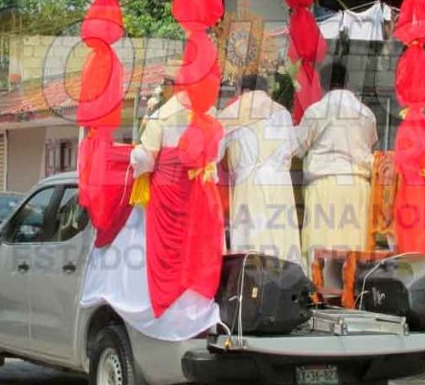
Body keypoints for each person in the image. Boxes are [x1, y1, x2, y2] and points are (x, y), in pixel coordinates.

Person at [80, 88, 223, 342]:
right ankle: (194, 314)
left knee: (144, 255)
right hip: (199, 200)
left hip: (163, 201)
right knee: (195, 256)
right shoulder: (212, 118)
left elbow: (145, 159)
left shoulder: (163, 116)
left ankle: (162, 314)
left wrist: (134, 155)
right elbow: (216, 155)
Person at [296, 62, 377, 284]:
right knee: (354, 250)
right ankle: (353, 295)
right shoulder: (367, 113)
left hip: (325, 185)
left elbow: (298, 147)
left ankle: (319, 294)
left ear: (322, 86)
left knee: (321, 248)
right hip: (358, 186)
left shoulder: (315, 111)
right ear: (348, 83)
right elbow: (370, 143)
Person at [218, 74, 301, 264]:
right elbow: (292, 148)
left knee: (252, 237)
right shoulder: (282, 112)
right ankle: (286, 275)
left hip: (249, 182)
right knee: (281, 238)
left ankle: (251, 277)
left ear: (244, 90)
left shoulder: (232, 113)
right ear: (265, 91)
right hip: (280, 181)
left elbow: (214, 153)